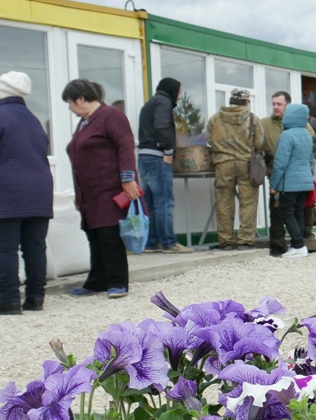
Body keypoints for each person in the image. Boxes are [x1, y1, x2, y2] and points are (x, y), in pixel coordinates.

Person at [62, 79, 138, 299]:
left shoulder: (111, 116)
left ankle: (118, 282)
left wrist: (127, 178)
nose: (69, 107)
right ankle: (97, 281)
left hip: (109, 188)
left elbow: (125, 146)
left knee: (109, 234)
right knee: (94, 234)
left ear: (81, 99)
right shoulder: (85, 122)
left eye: (70, 102)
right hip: (89, 192)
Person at [0, 72, 53, 313]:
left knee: (5, 248)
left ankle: (9, 301)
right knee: (35, 247)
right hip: (41, 190)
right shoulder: (34, 120)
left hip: (8, 191)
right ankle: (35, 299)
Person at [137, 77, 191, 253]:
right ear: (172, 90)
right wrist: (168, 151)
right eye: (180, 92)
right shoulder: (163, 102)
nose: (180, 96)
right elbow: (161, 127)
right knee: (165, 202)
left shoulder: (149, 103)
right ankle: (169, 242)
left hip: (144, 157)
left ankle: (151, 243)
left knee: (150, 204)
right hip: (157, 158)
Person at [207, 89, 265, 249]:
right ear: (247, 102)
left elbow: (209, 139)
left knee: (223, 202)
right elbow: (259, 143)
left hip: (222, 164)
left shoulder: (215, 119)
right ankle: (245, 240)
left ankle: (225, 240)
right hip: (246, 164)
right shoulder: (252, 119)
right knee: (248, 202)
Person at [264, 91, 316, 256]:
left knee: (286, 212)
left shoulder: (286, 136)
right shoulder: (306, 135)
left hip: (289, 183)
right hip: (305, 182)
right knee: (298, 212)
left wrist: (274, 185)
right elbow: (310, 161)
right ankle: (298, 244)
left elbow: (280, 164)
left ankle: (298, 245)